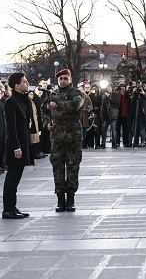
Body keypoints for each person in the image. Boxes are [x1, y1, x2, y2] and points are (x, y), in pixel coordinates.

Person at [42, 68, 85, 212]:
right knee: (58, 167)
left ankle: (71, 199)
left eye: (66, 78)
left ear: (70, 79)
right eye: (61, 79)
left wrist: (58, 105)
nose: (63, 81)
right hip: (57, 137)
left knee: (72, 167)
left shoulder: (77, 93)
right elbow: (44, 110)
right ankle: (60, 200)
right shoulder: (52, 95)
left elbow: (75, 105)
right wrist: (47, 123)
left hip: (73, 137)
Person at [2, 72, 33, 219]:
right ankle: (7, 209)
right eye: (24, 82)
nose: (27, 84)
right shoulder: (12, 101)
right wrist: (16, 147)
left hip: (22, 143)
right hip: (16, 146)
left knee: (16, 178)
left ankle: (12, 207)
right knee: (12, 178)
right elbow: (11, 127)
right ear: (17, 86)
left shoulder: (22, 99)